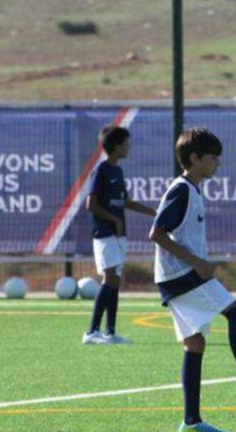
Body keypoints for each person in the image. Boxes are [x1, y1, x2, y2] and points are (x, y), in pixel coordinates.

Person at [149, 128, 236, 432]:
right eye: (213, 158)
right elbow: (157, 234)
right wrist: (196, 262)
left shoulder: (192, 189)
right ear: (194, 158)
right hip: (181, 275)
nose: (218, 163)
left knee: (195, 344)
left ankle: (191, 422)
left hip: (174, 276)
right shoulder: (182, 189)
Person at [82, 125, 156, 345]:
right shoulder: (102, 170)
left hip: (118, 235)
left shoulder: (118, 171)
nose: (128, 147)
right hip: (105, 234)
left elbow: (126, 202)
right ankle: (92, 332)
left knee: (115, 280)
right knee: (110, 278)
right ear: (116, 147)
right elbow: (91, 205)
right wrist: (114, 220)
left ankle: (110, 332)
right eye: (126, 143)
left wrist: (154, 212)